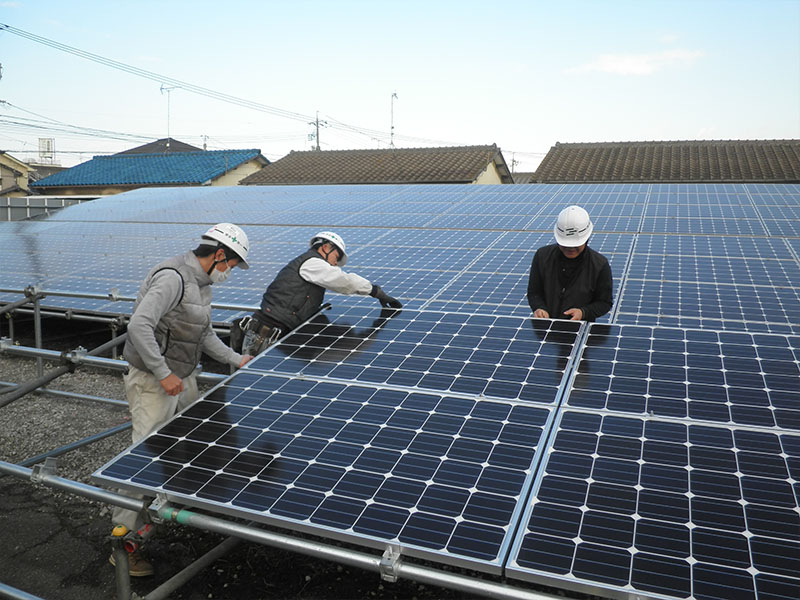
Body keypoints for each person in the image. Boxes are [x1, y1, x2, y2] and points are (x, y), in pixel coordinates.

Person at [110, 223, 253, 576]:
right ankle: (122, 543)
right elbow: (139, 325)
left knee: (194, 436)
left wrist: (237, 360)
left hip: (182, 376)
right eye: (231, 265)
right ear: (219, 254)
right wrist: (162, 373)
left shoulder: (201, 286)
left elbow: (203, 334)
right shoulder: (173, 277)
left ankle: (170, 505)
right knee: (143, 456)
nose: (229, 272)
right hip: (153, 381)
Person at [239, 231, 402, 356]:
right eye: (336, 257)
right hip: (266, 336)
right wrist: (375, 291)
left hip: (274, 333)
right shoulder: (312, 263)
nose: (336, 264)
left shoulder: (309, 263)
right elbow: (344, 281)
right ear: (325, 247)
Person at [527, 205, 612, 322]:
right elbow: (534, 292)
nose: (570, 248)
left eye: (575, 245)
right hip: (547, 330)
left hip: (580, 332)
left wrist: (583, 312)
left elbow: (604, 302)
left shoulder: (599, 265)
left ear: (587, 239)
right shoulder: (542, 256)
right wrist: (539, 308)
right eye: (565, 245)